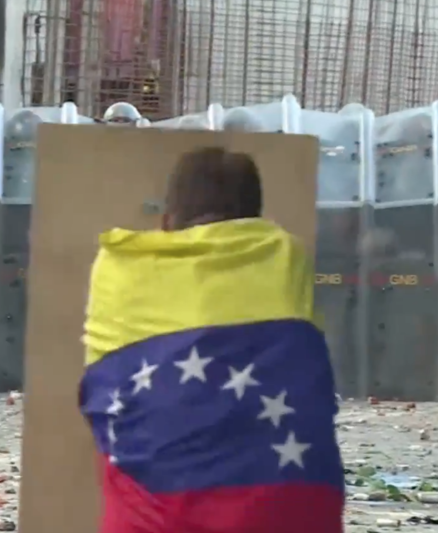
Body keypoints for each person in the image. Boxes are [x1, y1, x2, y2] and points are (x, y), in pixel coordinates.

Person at [79, 146, 344, 532]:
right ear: (257, 221)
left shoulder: (118, 268)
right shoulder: (286, 257)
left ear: (167, 221)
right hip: (289, 509)